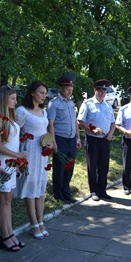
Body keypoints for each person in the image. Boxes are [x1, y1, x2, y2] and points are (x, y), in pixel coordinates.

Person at [17, 81, 51, 239]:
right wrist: (19, 153)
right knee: (30, 187)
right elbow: (14, 133)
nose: (44, 96)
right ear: (32, 93)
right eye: (41, 93)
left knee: (40, 188)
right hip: (29, 152)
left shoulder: (44, 111)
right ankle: (33, 223)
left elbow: (45, 130)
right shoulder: (22, 111)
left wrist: (49, 142)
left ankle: (41, 221)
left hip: (42, 153)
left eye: (45, 93)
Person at [0, 85, 28, 247]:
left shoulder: (11, 118)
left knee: (8, 200)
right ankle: (5, 236)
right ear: (4, 99)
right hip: (2, 164)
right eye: (13, 98)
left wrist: (19, 159)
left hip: (12, 164)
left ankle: (9, 233)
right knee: (3, 200)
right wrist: (17, 156)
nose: (16, 101)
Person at [77, 79, 116, 201]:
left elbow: (113, 123)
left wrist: (110, 134)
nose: (102, 93)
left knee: (104, 166)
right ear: (95, 90)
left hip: (105, 139)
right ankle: (94, 191)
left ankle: (102, 190)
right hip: (92, 139)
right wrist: (91, 130)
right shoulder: (88, 104)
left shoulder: (108, 105)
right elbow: (80, 121)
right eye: (100, 90)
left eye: (104, 91)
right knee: (92, 165)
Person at [47, 73, 81, 203]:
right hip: (60, 138)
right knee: (60, 167)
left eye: (71, 89)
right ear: (61, 88)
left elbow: (75, 122)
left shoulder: (71, 103)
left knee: (69, 167)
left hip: (71, 139)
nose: (70, 92)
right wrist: (53, 142)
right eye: (67, 89)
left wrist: (78, 139)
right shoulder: (53, 104)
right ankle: (58, 193)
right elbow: (50, 124)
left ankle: (66, 192)